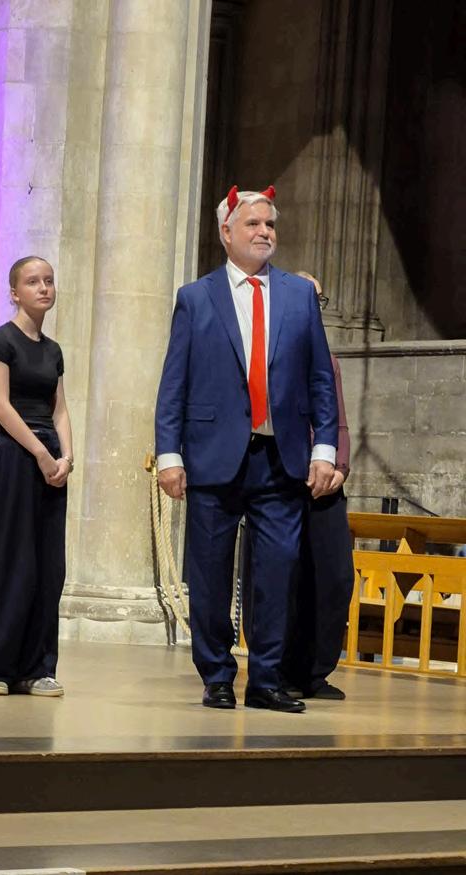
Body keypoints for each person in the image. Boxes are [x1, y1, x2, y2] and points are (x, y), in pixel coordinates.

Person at [155, 186, 338, 713]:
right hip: (213, 454)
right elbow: (174, 383)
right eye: (253, 223)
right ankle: (216, 675)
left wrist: (324, 447)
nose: (264, 232)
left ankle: (266, 680)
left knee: (278, 570)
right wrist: (169, 454)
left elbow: (320, 378)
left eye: (269, 224)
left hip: (281, 456)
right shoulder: (196, 297)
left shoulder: (298, 296)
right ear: (226, 232)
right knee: (210, 572)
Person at [0, 256, 73, 696]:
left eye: (48, 280)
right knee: (9, 563)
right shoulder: (1, 340)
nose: (43, 287)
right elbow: (0, 406)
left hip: (51, 462)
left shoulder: (53, 350)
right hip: (12, 457)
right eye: (33, 282)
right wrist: (41, 453)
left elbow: (60, 409)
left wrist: (66, 457)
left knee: (48, 568)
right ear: (15, 292)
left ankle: (37, 669)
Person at [280, 271, 355, 701]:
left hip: (328, 481)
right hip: (286, 477)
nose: (315, 307)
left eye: (319, 300)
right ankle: (281, 671)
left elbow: (338, 418)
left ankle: (315, 671)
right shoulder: (274, 351)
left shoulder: (328, 358)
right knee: (286, 577)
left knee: (333, 576)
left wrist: (340, 466)